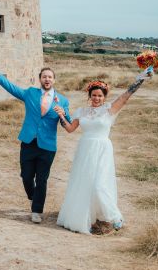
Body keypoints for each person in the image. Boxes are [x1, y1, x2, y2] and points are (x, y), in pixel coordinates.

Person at [53, 68, 152, 234]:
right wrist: (62, 116)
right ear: (89, 96)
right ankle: (84, 217)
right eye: (94, 95)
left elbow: (126, 95)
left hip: (102, 149)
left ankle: (115, 217)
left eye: (100, 95)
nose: (97, 98)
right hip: (85, 149)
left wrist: (140, 79)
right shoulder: (81, 111)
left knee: (100, 185)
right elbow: (70, 129)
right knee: (84, 183)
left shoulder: (109, 110)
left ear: (104, 97)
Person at [0, 59, 71, 223]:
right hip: (28, 141)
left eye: (50, 77)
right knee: (26, 176)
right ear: (40, 79)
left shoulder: (62, 100)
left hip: (47, 145)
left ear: (54, 80)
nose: (47, 79)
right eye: (44, 77)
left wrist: (63, 114)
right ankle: (33, 197)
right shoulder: (30, 93)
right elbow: (12, 88)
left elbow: (67, 122)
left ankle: (37, 211)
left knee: (42, 179)